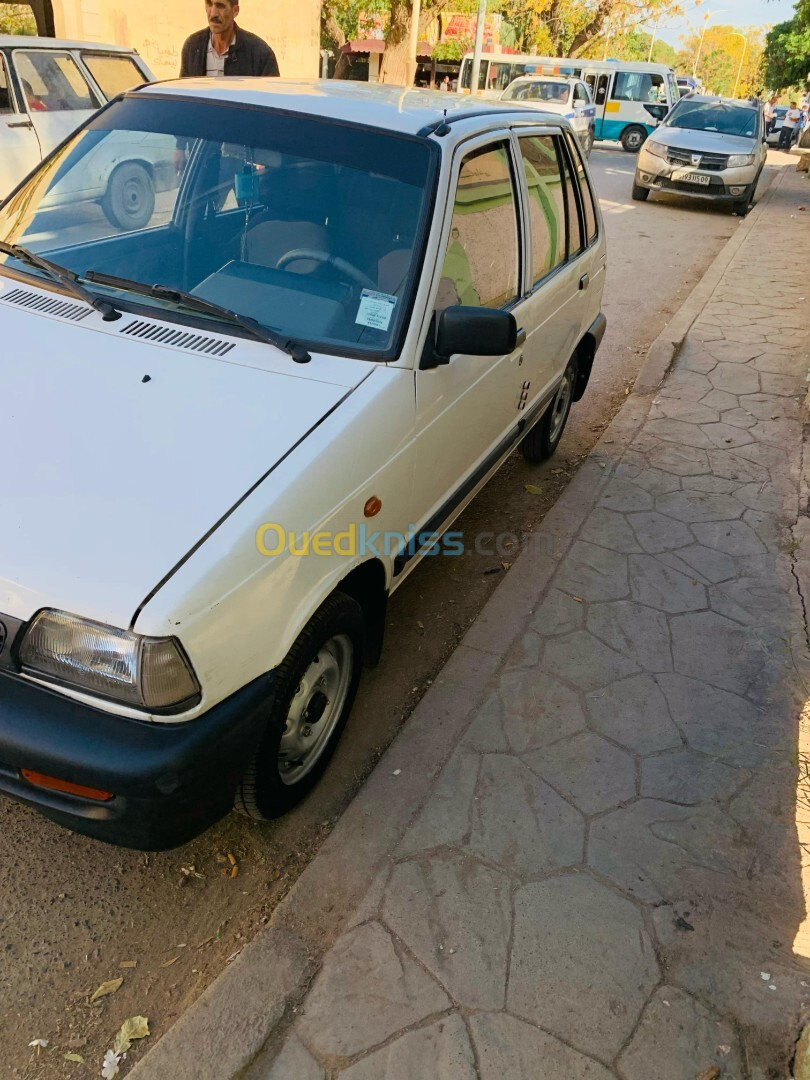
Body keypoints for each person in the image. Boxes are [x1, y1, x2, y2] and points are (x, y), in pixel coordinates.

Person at [179, 0, 279, 78]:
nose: (213, 13)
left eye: (220, 6)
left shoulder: (260, 53)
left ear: (235, 11)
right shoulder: (192, 47)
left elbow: (271, 99)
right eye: (209, 3)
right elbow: (183, 97)